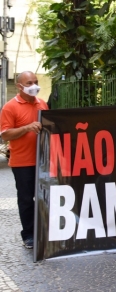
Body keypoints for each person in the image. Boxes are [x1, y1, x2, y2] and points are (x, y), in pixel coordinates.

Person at [0, 71, 48, 249]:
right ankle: (28, 234)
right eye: (29, 83)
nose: (34, 85)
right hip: (22, 162)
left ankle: (43, 230)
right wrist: (27, 127)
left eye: (35, 82)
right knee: (27, 199)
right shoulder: (10, 107)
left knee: (43, 197)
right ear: (19, 86)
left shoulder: (42, 104)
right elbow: (5, 134)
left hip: (43, 160)